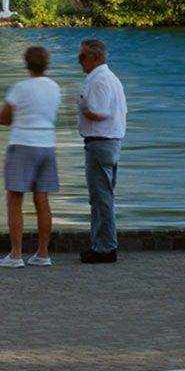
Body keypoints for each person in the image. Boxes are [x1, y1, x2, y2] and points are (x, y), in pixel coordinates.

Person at [0, 45, 62, 268]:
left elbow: (4, 117)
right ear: (46, 64)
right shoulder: (54, 87)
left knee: (15, 199)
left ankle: (16, 254)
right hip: (47, 145)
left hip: (22, 144)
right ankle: (43, 253)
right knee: (42, 200)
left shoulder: (20, 88)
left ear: (26, 64)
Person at [74, 38, 127, 265]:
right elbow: (123, 113)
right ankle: (100, 244)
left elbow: (99, 112)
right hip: (111, 142)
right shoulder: (113, 79)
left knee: (101, 198)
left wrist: (82, 107)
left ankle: (105, 247)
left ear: (97, 57)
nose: (79, 62)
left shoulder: (98, 81)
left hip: (99, 143)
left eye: (82, 57)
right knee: (103, 196)